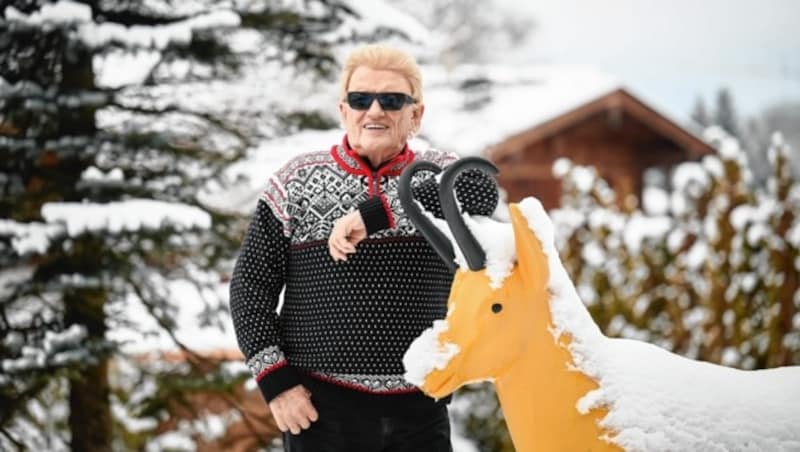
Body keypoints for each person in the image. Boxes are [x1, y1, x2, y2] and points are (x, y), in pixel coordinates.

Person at [229, 44, 498, 452]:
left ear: (416, 114)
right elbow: (250, 288)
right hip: (322, 413)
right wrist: (277, 383)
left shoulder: (438, 171)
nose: (375, 111)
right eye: (361, 99)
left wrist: (377, 214)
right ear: (344, 110)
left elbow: (481, 187)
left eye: (392, 100)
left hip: (420, 412)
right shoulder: (296, 180)